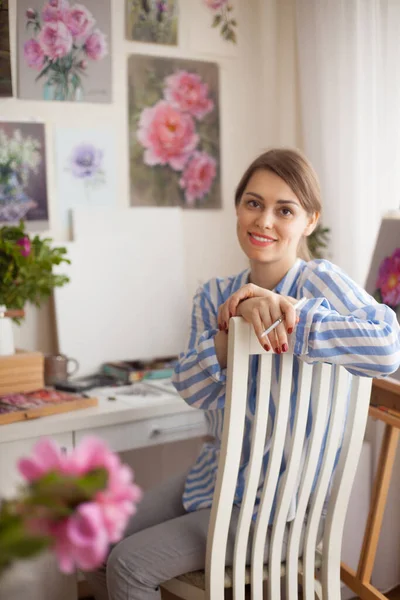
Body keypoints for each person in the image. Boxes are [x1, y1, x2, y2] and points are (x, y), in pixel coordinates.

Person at [86, 148, 400, 600]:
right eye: (254, 203)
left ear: (309, 220)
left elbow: (388, 347)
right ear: (237, 207)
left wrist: (289, 314)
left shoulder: (318, 281)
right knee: (95, 544)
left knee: (129, 564)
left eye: (284, 209)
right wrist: (235, 327)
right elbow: (192, 388)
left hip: (276, 509)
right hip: (213, 480)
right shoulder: (213, 295)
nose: (264, 221)